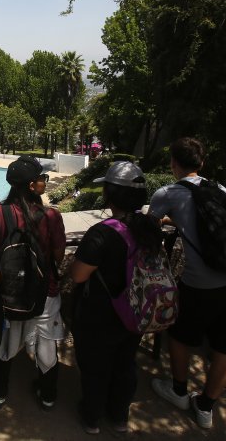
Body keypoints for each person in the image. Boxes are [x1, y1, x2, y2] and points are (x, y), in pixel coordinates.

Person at [147, 137, 226, 429]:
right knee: (223, 345)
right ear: (202, 163)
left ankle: (179, 390)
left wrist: (163, 220)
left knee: (179, 336)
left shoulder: (167, 193)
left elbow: (149, 230)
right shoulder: (216, 188)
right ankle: (206, 407)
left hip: (200, 283)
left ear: (173, 163)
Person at [69, 162, 163, 435]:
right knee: (125, 363)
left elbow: (77, 275)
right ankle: (119, 416)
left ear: (111, 193)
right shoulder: (150, 227)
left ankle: (91, 418)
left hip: (101, 314)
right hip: (136, 311)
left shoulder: (103, 232)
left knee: (95, 366)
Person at [0, 156, 66, 411]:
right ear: (32, 186)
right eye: (42, 178)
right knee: (46, 346)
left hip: (9, 292)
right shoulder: (51, 215)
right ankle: (48, 394)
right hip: (45, 293)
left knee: (6, 344)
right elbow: (58, 256)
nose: (45, 181)